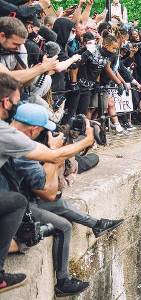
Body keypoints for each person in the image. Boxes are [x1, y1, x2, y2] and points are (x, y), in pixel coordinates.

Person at [2, 103, 124, 297]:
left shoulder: (7, 133)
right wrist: (55, 154)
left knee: (59, 204)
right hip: (14, 206)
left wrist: (57, 153)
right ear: (34, 129)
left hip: (19, 197)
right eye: (42, 130)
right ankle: (63, 281)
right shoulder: (23, 154)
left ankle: (97, 224)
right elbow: (49, 191)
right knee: (63, 226)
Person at [0, 73, 94, 294]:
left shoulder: (8, 129)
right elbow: (50, 191)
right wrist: (85, 142)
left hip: (28, 200)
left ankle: (97, 224)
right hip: (27, 204)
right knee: (21, 204)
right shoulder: (11, 139)